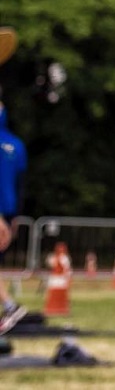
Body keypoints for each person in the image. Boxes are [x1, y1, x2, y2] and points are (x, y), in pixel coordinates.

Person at [0, 93, 27, 335]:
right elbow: (20, 185)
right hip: (8, 211)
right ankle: (9, 306)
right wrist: (15, 217)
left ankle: (10, 305)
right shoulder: (16, 144)